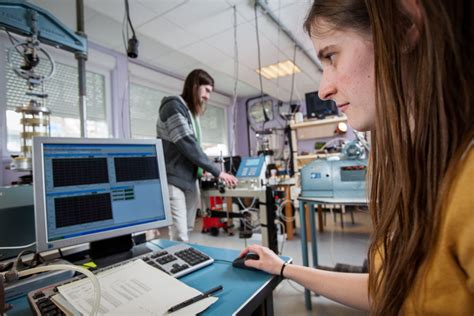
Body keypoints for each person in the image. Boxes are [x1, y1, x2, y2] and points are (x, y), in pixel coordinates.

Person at [239, 0, 474, 314]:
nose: (324, 89)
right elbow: (391, 291)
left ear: (403, 24)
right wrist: (283, 268)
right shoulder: (428, 169)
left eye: (331, 56)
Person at [157, 69, 238, 242]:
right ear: (195, 86)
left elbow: (193, 146)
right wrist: (218, 171)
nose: (208, 97)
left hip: (189, 178)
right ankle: (176, 266)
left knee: (187, 228)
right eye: (207, 90)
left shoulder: (190, 113)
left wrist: (203, 169)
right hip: (174, 179)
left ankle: (183, 262)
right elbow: (187, 143)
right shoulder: (173, 106)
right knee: (180, 233)